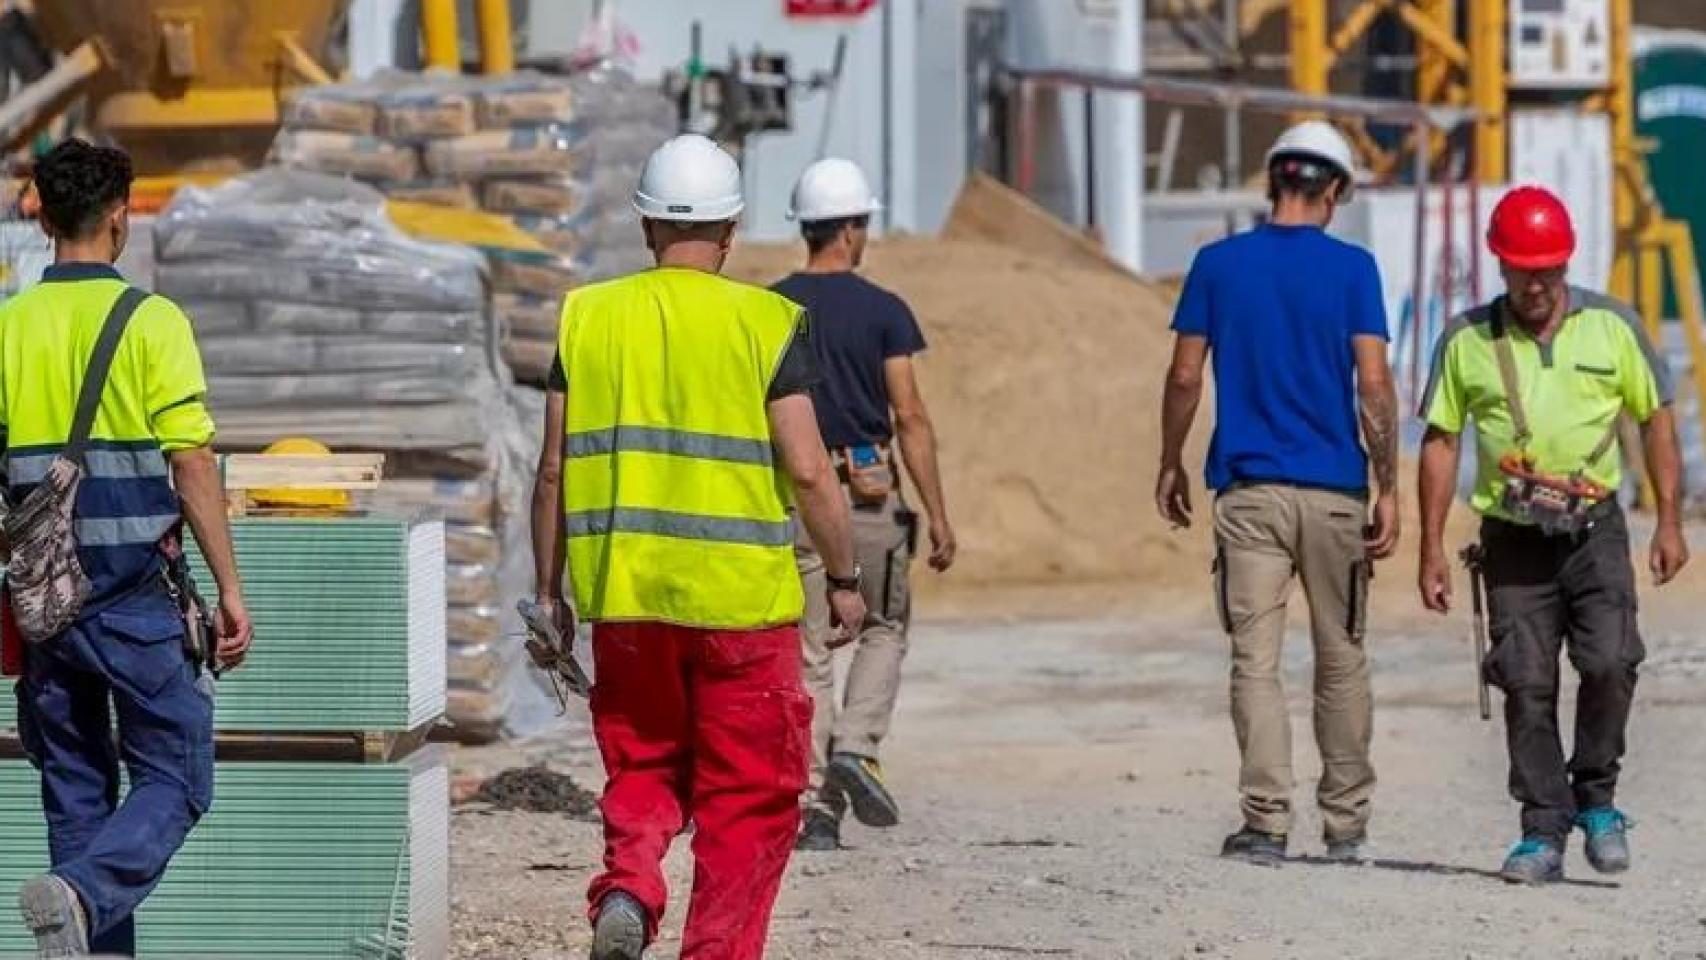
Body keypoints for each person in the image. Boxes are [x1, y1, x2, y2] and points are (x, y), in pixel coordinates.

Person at [528, 134, 867, 960]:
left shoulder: (588, 317)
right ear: (731, 230)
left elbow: (551, 472)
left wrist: (550, 595)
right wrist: (848, 578)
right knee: (749, 800)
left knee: (641, 766)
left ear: (645, 227)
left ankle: (630, 889)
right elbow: (811, 469)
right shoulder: (767, 321)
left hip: (628, 601)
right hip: (741, 610)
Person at [1, 139, 252, 956]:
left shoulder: (8, 327)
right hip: (135, 600)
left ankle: (76, 909)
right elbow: (191, 462)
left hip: (44, 608)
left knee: (76, 795)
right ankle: (80, 892)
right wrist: (229, 591)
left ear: (41, 218)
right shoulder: (154, 322)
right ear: (120, 220)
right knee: (177, 776)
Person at [1417, 185, 1688, 884]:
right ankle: (1542, 829)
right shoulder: (1467, 340)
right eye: (1520, 269)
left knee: (1610, 661)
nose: (1535, 284)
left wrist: (1669, 521)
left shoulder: (1613, 328)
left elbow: (1656, 419)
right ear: (1498, 266)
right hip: (1512, 542)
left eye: (1547, 269)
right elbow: (1442, 442)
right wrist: (1429, 549)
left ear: (1566, 264)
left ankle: (1597, 799)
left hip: (1595, 533)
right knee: (1526, 681)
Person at [1156, 120, 1399, 864]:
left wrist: (1170, 458)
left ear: (1272, 183)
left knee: (1254, 662)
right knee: (1342, 656)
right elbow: (1376, 386)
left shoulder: (1216, 265)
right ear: (1332, 190)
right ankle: (1346, 825)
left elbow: (1186, 374)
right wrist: (1388, 485)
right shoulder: (1354, 269)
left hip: (1250, 492)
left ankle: (1265, 822)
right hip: (1333, 492)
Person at [771, 157, 956, 853]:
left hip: (795, 502)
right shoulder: (884, 311)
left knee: (810, 652)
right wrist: (937, 514)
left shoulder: (771, 309)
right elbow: (908, 415)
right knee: (882, 628)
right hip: (869, 501)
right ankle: (856, 745)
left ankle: (814, 809)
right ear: (850, 230)